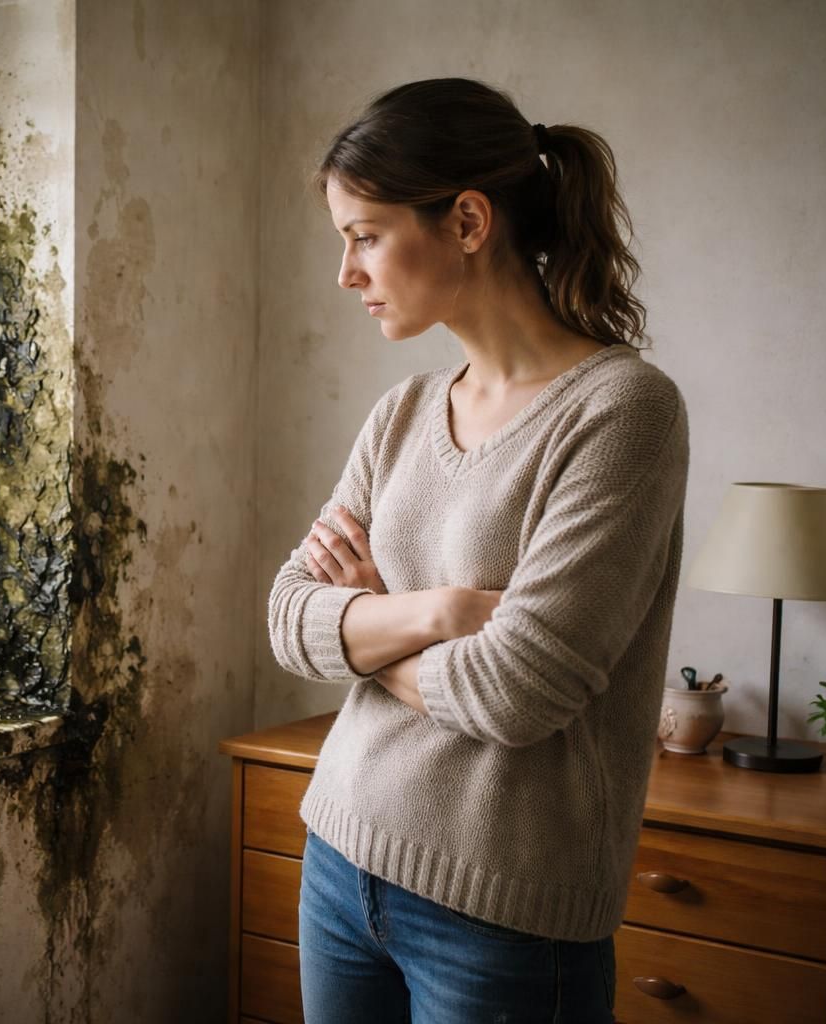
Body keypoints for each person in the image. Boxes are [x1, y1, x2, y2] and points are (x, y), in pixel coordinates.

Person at [266, 78, 689, 1023]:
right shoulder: (404, 410)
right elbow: (289, 618)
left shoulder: (623, 412)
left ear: (466, 221)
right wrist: (444, 612)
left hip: (504, 913)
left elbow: (518, 690)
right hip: (338, 857)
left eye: (365, 236)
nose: (346, 273)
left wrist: (368, 628)